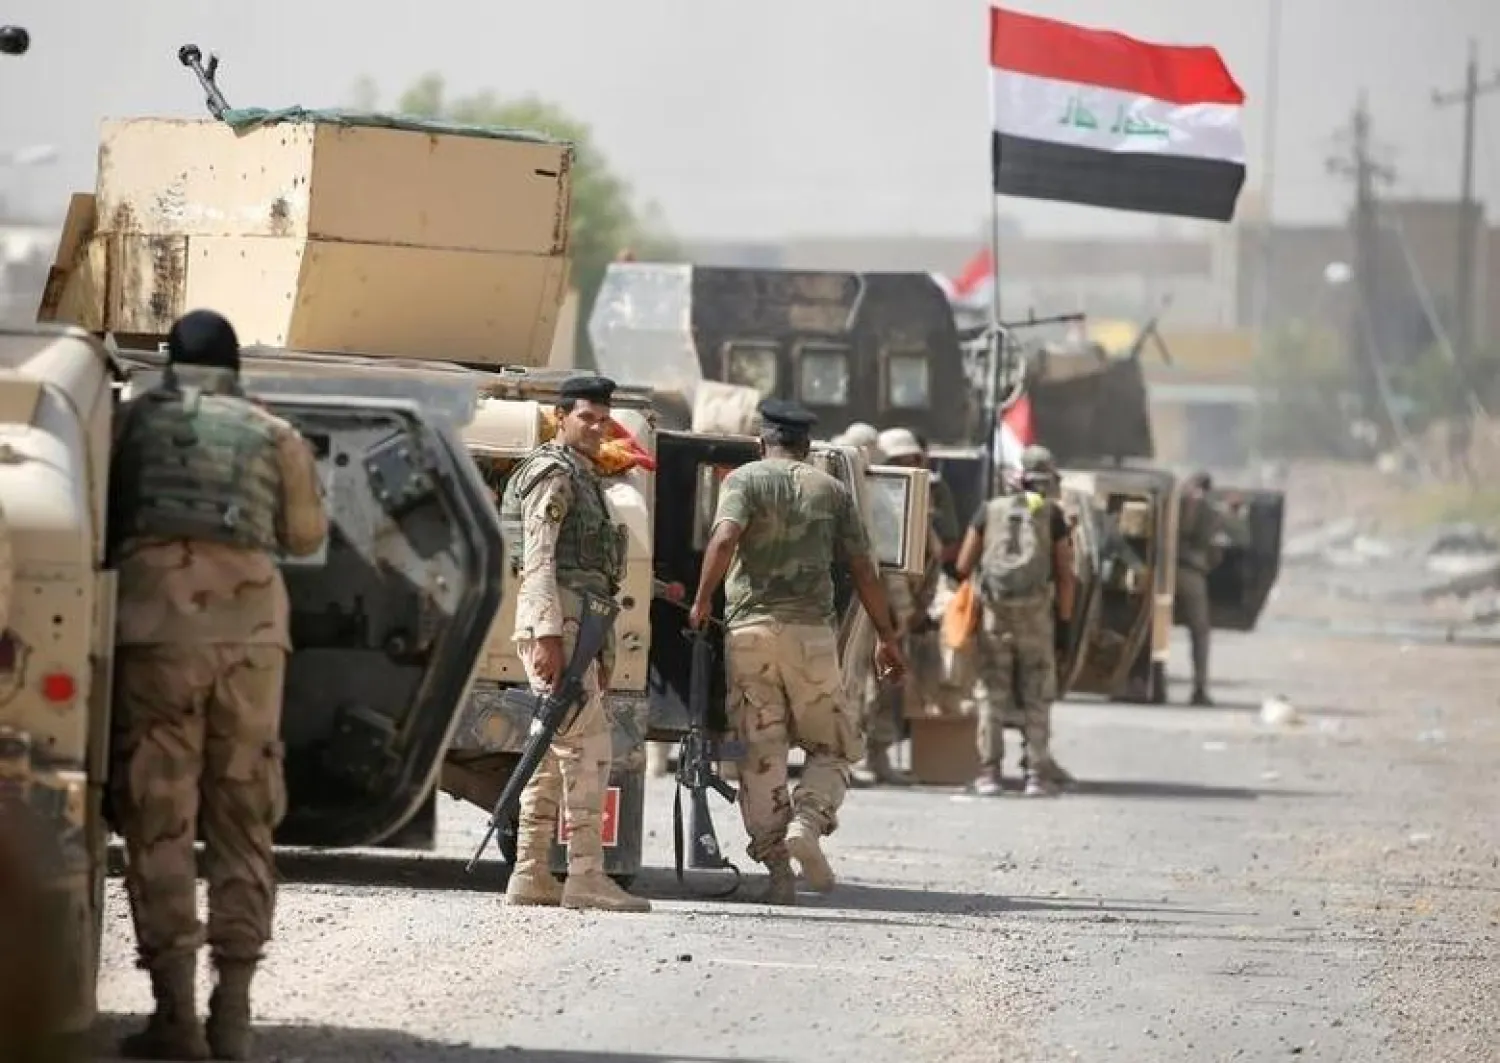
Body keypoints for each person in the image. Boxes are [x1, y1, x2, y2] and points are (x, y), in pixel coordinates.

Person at [108, 309, 328, 1061]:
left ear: (170, 361)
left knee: (159, 809)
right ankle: (231, 1013)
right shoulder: (273, 433)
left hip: (155, 630)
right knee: (243, 813)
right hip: (252, 637)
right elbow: (305, 537)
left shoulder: (131, 424)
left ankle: (175, 1017)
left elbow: (99, 519)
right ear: (235, 366)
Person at [689, 398, 906, 904]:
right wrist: (887, 636)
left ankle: (779, 875)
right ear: (807, 447)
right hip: (810, 637)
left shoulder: (742, 481)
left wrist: (702, 602)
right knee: (835, 746)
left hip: (749, 636)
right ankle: (807, 822)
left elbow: (723, 540)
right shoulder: (830, 490)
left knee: (760, 756)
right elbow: (865, 569)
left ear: (762, 441)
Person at [497, 373, 650, 913]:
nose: (595, 426)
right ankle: (585, 875)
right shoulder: (556, 475)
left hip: (579, 625)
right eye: (585, 416)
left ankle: (530, 872)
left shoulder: (584, 477)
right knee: (589, 748)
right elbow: (538, 558)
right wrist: (546, 634)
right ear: (560, 418)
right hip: (560, 624)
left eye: (602, 418)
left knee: (551, 751)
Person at [955, 444, 1077, 798]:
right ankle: (1036, 774)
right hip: (1036, 620)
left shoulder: (989, 510)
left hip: (995, 619)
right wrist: (1065, 626)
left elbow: (963, 564)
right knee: (1037, 693)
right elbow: (1066, 575)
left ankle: (989, 773)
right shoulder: (1051, 515)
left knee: (991, 694)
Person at [1174, 471, 1247, 707]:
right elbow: (1241, 536)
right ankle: (1199, 688)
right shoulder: (1211, 510)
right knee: (1199, 633)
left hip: (1163, 573)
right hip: (1192, 574)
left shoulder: (1173, 502)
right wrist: (1236, 511)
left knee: (1151, 630)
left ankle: (1143, 682)